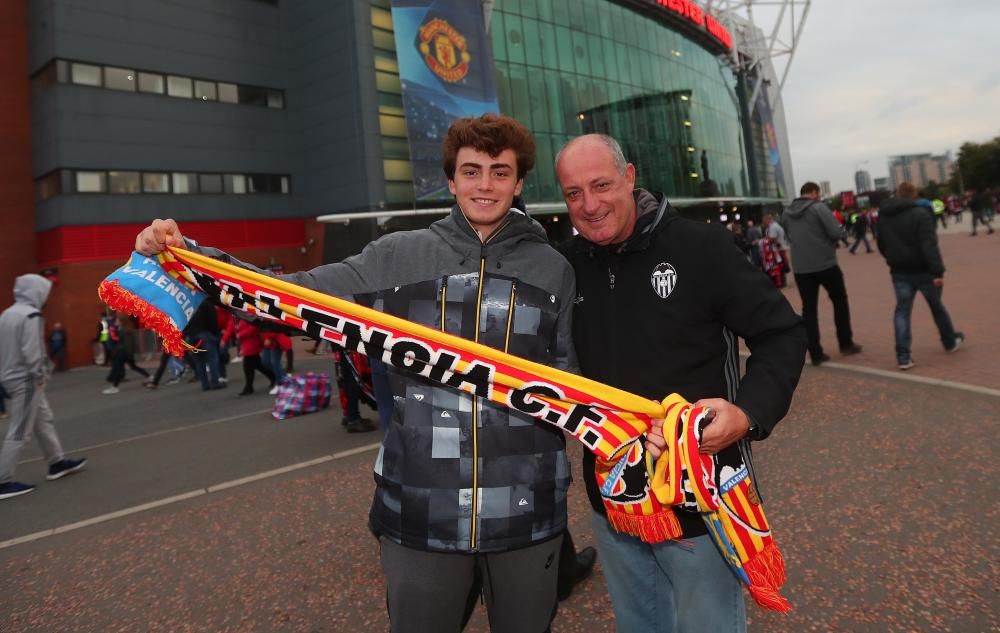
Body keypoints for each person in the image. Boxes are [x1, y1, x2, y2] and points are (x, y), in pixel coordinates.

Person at [133, 114, 580, 633]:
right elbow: (288, 296)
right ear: (452, 180)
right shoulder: (397, 255)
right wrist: (189, 257)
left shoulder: (554, 270)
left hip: (528, 513)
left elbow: (574, 380)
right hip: (419, 512)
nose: (485, 185)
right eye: (472, 171)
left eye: (500, 172)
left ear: (519, 181)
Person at [554, 134, 806, 633]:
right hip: (614, 501)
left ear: (630, 178)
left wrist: (748, 414)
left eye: (601, 185)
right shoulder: (567, 265)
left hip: (700, 498)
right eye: (573, 193)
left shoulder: (701, 246)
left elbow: (782, 333)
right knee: (640, 625)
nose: (590, 205)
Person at [0, 274, 87, 500]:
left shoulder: (7, 314)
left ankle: (56, 462)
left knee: (42, 420)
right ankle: (3, 480)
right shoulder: (31, 315)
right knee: (19, 430)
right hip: (27, 378)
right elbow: (33, 352)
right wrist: (41, 374)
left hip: (12, 375)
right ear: (36, 292)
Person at [876, 182, 965, 370]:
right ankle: (949, 341)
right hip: (923, 270)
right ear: (914, 195)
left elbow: (881, 243)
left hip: (899, 271)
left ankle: (903, 356)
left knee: (902, 311)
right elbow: (929, 245)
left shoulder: (884, 216)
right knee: (936, 307)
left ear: (898, 194)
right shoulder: (920, 214)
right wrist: (937, 271)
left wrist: (891, 258)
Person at [782, 182, 863, 366]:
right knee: (839, 300)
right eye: (817, 194)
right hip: (825, 264)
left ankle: (815, 353)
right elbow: (835, 232)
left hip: (802, 268)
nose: (818, 197)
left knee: (808, 310)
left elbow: (789, 235)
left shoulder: (786, 213)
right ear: (813, 193)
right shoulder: (819, 208)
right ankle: (846, 343)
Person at [103, 315, 151, 394]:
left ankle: (115, 387)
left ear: (121, 321)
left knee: (117, 368)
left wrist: (128, 353)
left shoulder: (124, 331)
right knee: (133, 367)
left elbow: (128, 343)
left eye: (117, 320)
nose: (116, 322)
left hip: (123, 352)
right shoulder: (124, 330)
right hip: (125, 352)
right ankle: (149, 376)